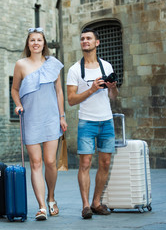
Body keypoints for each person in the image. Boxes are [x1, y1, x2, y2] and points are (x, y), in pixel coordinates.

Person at [11, 27, 68, 220]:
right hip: (31, 118)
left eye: (39, 40)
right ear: (28, 44)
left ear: (44, 44)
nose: (36, 43)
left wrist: (62, 116)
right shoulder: (20, 64)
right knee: (36, 163)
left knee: (50, 161)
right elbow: (14, 90)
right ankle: (42, 206)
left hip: (51, 117)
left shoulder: (53, 64)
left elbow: (59, 91)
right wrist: (18, 105)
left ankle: (51, 198)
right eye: (32, 40)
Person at [66, 28, 119, 219]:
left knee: (105, 163)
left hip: (106, 121)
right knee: (85, 163)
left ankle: (97, 202)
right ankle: (86, 205)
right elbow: (71, 100)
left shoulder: (106, 67)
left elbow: (113, 97)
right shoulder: (74, 70)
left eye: (88, 38)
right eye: (82, 39)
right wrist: (92, 88)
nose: (85, 41)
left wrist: (112, 88)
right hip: (86, 122)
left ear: (97, 43)